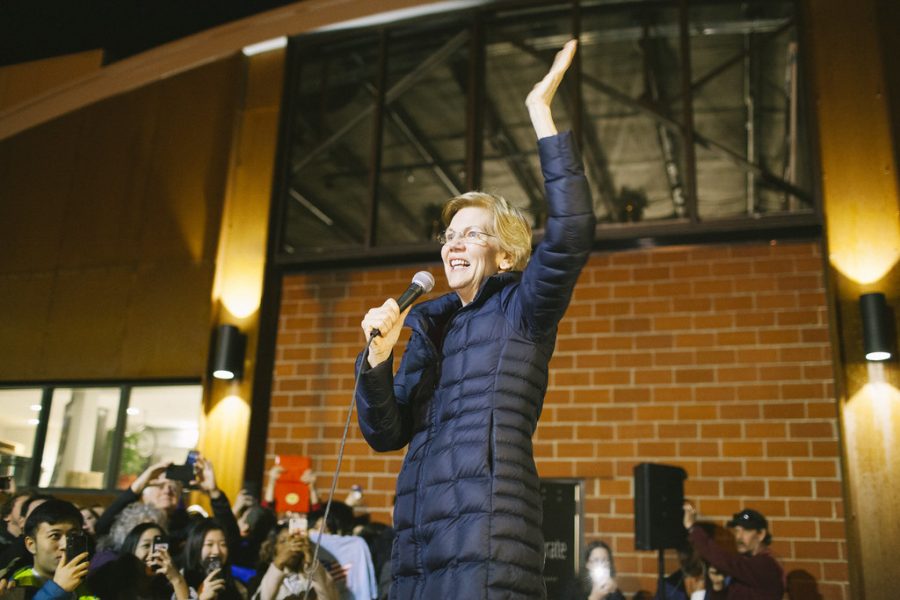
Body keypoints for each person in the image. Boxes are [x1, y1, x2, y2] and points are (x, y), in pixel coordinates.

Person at [355, 39, 595, 599]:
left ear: (506, 256)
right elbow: (384, 434)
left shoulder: (523, 307)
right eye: (449, 235)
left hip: (488, 539)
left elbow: (572, 232)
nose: (454, 244)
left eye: (473, 233)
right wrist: (377, 359)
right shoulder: (431, 327)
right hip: (417, 540)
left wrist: (541, 114)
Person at [682, 504, 784, 600]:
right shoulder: (745, 567)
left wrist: (693, 529)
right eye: (737, 531)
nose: (739, 537)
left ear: (761, 534)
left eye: (746, 530)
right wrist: (718, 586)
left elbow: (725, 560)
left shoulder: (766, 564)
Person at [11, 499, 93, 599]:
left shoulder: (91, 583)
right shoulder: (15, 588)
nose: (65, 545)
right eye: (55, 536)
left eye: (73, 535)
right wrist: (58, 589)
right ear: (31, 544)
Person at [250, 522, 337, 600]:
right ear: (273, 548)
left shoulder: (314, 577)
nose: (292, 546)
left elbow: (330, 596)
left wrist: (311, 560)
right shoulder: (259, 580)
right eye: (283, 541)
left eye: (297, 541)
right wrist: (278, 563)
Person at [182, 517, 248, 600]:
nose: (217, 551)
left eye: (223, 544)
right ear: (195, 547)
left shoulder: (238, 586)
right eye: (209, 544)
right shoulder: (181, 582)